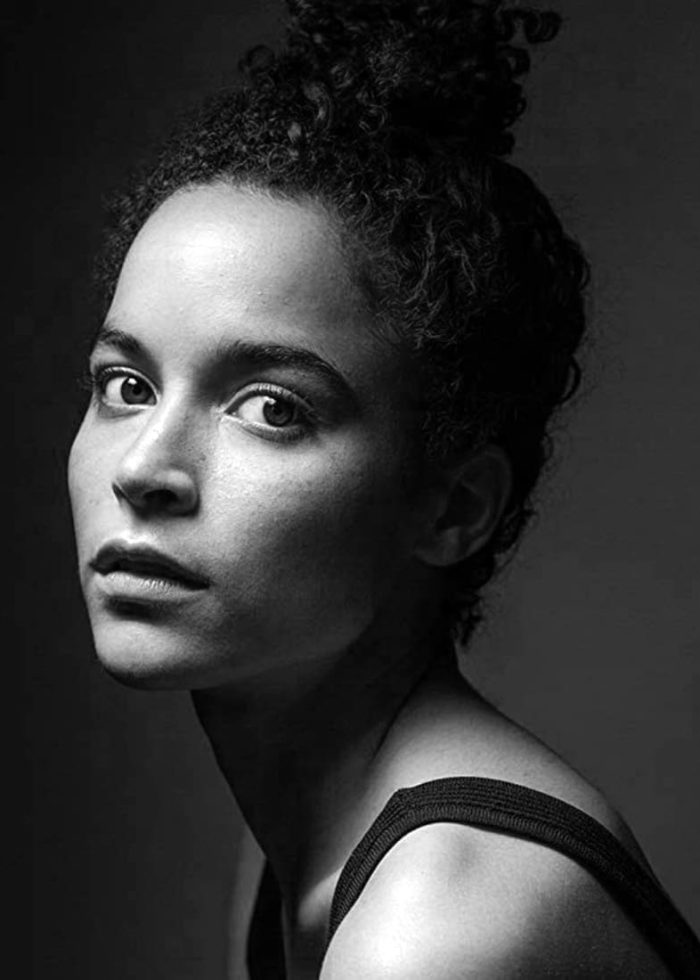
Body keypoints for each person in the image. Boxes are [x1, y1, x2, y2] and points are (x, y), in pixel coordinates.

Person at [67, 1, 700, 976]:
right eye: (127, 385)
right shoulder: (307, 822)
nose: (143, 468)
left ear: (451, 507)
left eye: (272, 407)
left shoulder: (440, 918)